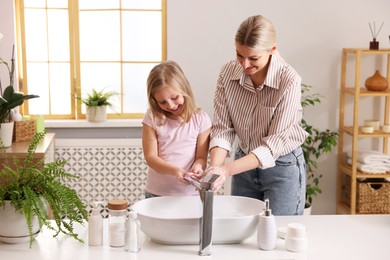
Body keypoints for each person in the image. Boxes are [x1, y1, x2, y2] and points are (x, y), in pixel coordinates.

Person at [205, 15, 307, 215]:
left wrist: (226, 170)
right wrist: (215, 168)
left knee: (278, 235)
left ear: (272, 50)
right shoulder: (227, 73)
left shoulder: (289, 80)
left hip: (282, 168)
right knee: (242, 235)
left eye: (253, 58)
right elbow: (223, 128)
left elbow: (273, 146)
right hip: (243, 165)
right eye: (239, 54)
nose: (244, 64)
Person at [142, 60, 212, 198]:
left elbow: (201, 157)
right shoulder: (152, 118)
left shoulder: (201, 119)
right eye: (162, 102)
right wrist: (176, 171)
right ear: (154, 100)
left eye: (174, 97)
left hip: (190, 194)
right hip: (157, 193)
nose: (171, 105)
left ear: (184, 90)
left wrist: (198, 167)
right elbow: (151, 158)